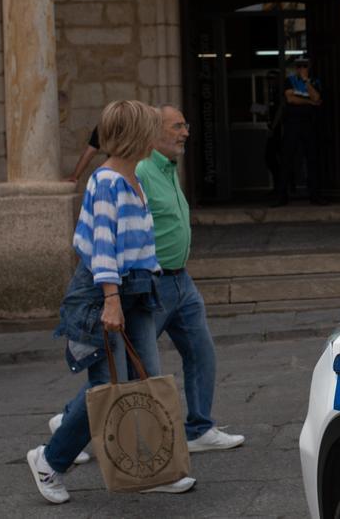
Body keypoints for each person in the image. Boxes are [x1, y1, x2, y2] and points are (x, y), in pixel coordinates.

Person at [26, 100, 194, 504]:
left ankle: (153, 468)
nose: (160, 136)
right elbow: (103, 249)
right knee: (105, 386)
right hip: (105, 292)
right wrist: (111, 301)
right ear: (137, 136)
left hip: (137, 289)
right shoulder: (106, 182)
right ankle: (50, 461)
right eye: (152, 129)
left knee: (148, 379)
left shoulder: (133, 177)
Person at [135, 104, 245, 452]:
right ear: (154, 132)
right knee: (127, 364)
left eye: (186, 125)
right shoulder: (140, 171)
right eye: (177, 126)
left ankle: (199, 429)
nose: (185, 132)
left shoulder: (168, 168)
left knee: (201, 351)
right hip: (153, 284)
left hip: (182, 282)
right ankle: (71, 422)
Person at [274, 55, 327, 205]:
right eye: (299, 66)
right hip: (292, 124)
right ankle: (281, 196)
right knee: (286, 159)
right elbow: (291, 99)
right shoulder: (289, 80)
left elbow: (317, 98)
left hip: (309, 124)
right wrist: (309, 101)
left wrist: (306, 82)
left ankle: (315, 196)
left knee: (312, 159)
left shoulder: (315, 81)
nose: (301, 69)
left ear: (309, 67)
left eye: (304, 65)